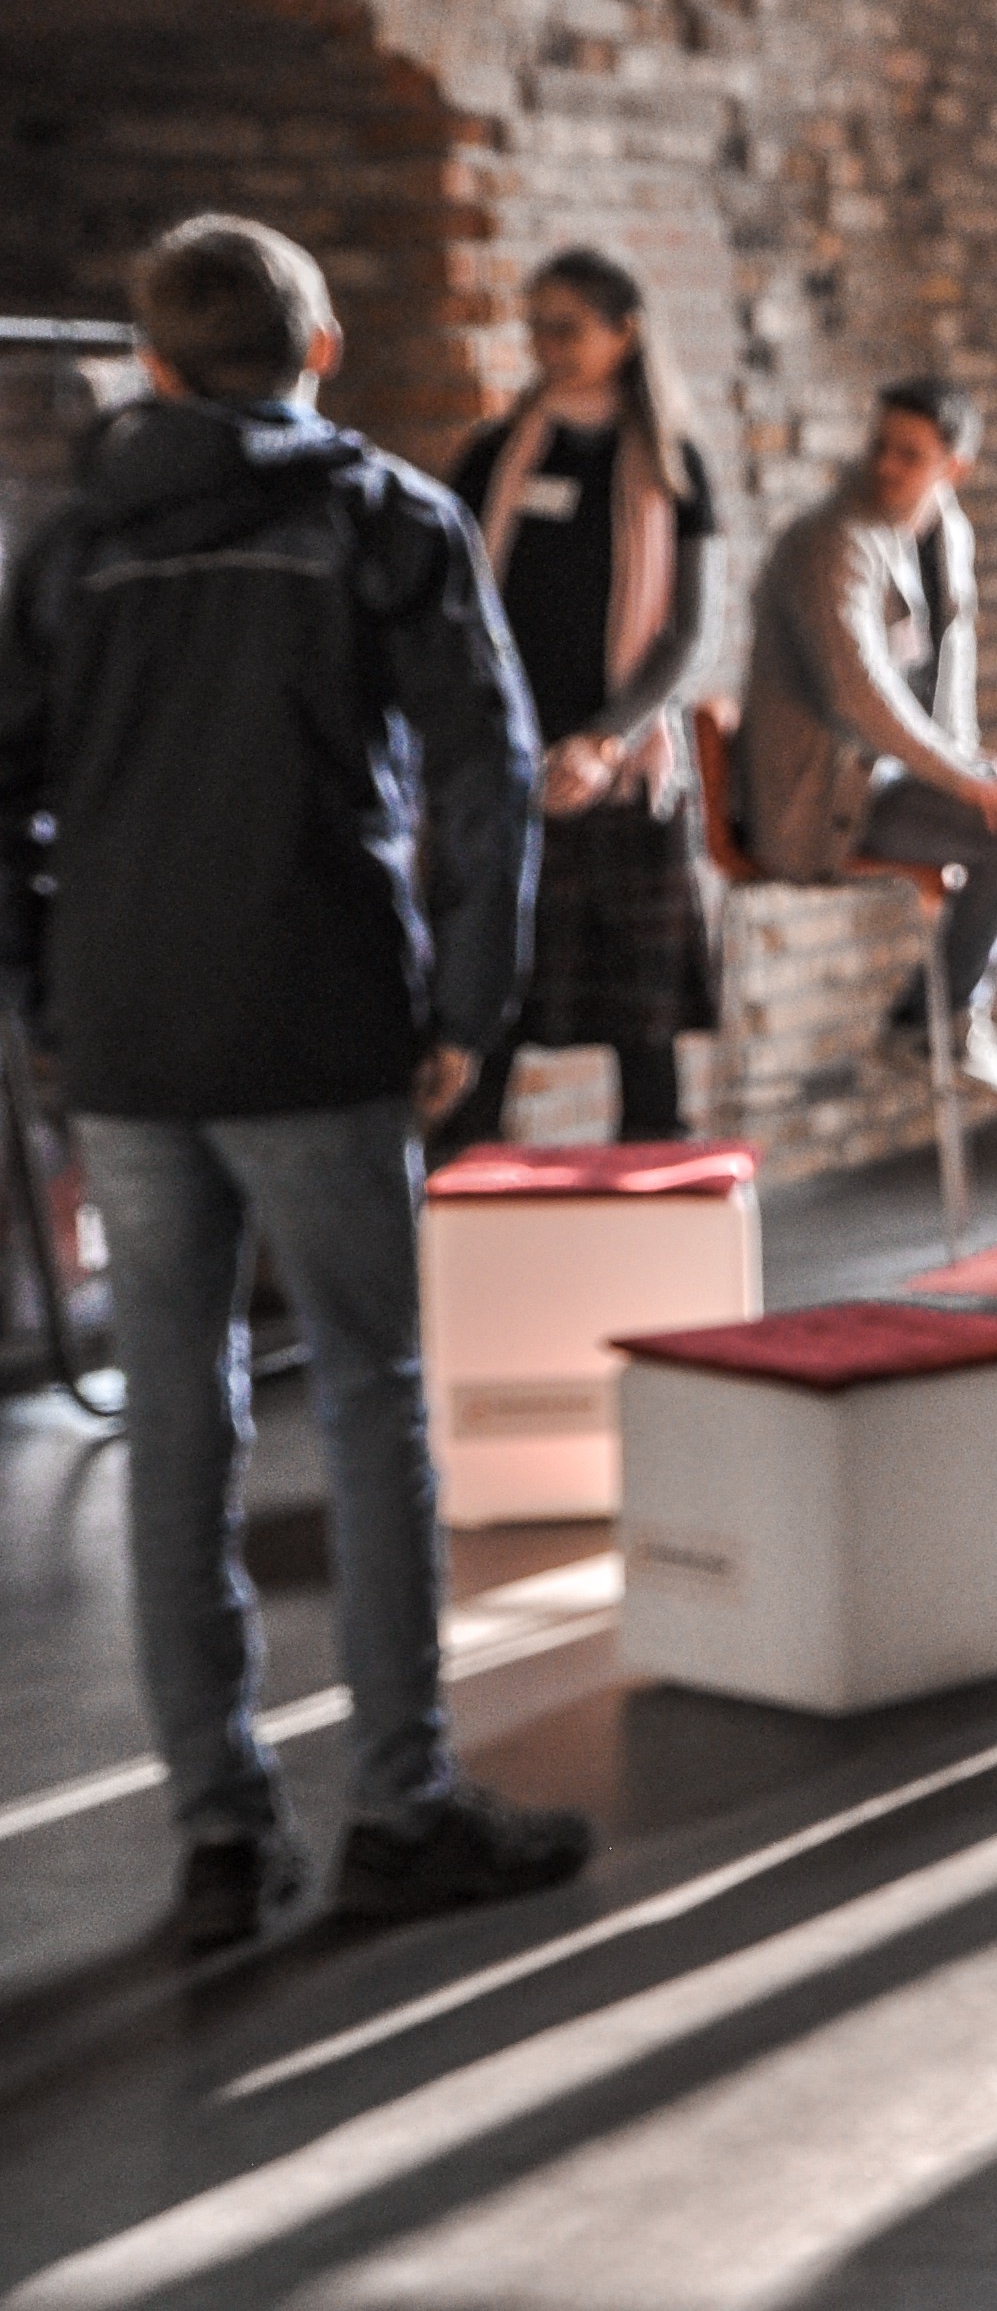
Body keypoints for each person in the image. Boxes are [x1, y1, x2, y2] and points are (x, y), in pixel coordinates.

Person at [0, 214, 592, 1950]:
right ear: (318, 352)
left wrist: (43, 996)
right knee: (370, 1398)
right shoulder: (381, 519)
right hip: (317, 1015)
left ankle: (218, 1836)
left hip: (128, 1037)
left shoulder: (70, 547)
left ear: (153, 364)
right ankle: (401, 1806)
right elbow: (486, 772)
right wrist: (472, 1000)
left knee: (175, 1423)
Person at [430, 248, 719, 1157]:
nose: (546, 347)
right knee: (487, 1015)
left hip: (619, 772)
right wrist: (505, 743)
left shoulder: (673, 462)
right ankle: (464, 1205)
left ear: (624, 333)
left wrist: (602, 741)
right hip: (507, 764)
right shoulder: (492, 456)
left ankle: (657, 1213)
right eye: (537, 330)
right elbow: (453, 612)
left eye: (567, 329)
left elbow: (685, 634)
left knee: (645, 1029)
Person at [743, 378, 997, 1100]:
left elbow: (948, 676)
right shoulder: (833, 541)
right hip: (823, 795)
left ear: (954, 467)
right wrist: (963, 779)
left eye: (910, 454)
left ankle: (935, 1015)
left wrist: (972, 761)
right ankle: (936, 1020)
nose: (885, 466)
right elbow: (859, 695)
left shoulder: (947, 530)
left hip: (892, 778)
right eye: (879, 447)